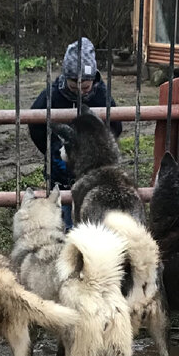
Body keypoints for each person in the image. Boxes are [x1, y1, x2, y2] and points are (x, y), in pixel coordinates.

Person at [28, 37, 120, 226]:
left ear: (92, 79)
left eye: (85, 86)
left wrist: (100, 149)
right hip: (61, 167)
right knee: (64, 213)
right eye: (73, 84)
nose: (79, 90)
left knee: (93, 212)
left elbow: (115, 126)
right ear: (65, 77)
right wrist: (52, 150)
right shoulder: (52, 95)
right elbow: (34, 123)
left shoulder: (102, 96)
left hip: (93, 169)